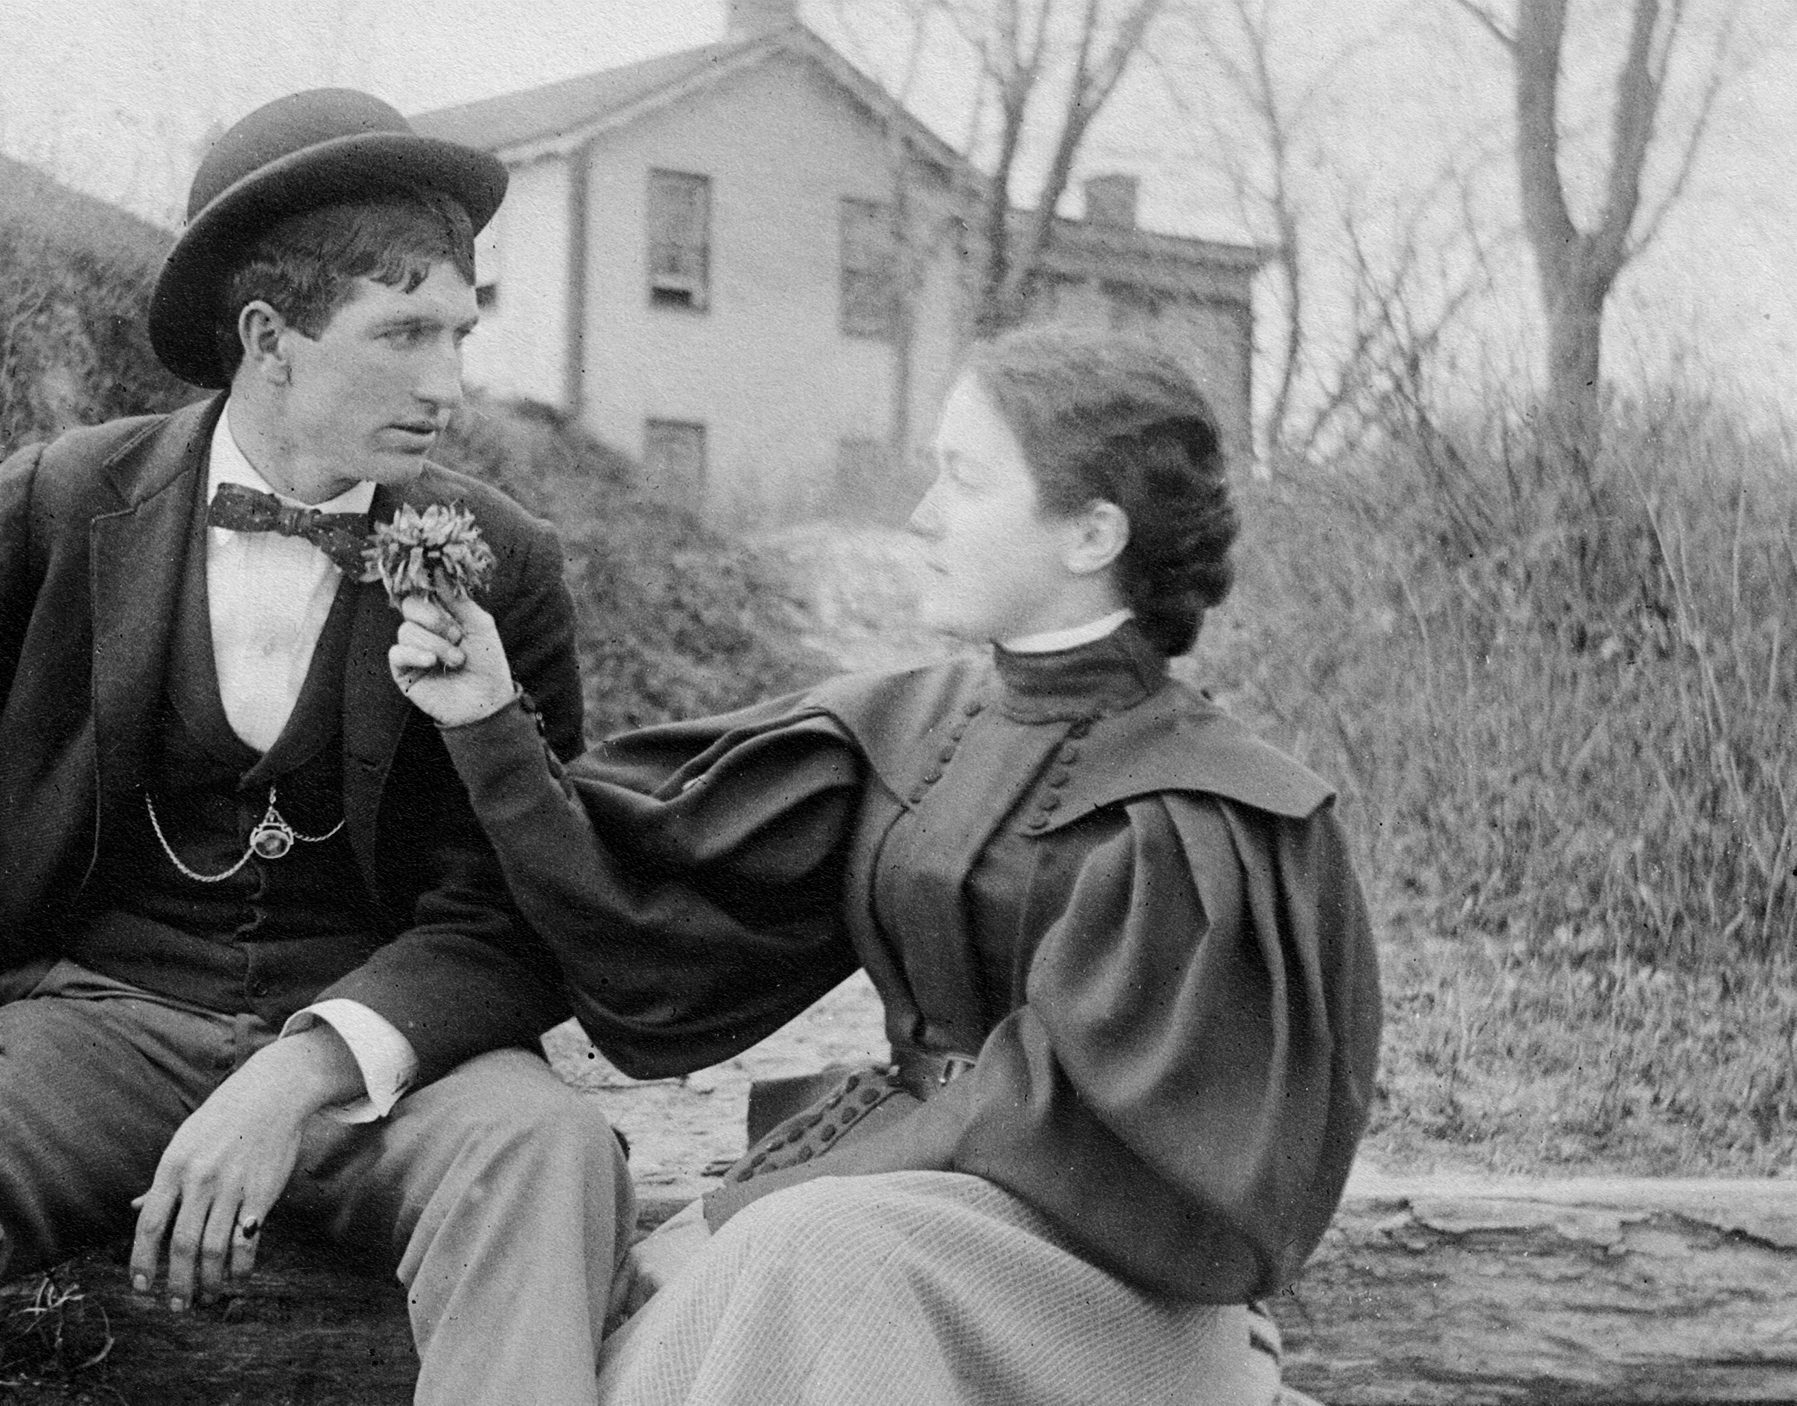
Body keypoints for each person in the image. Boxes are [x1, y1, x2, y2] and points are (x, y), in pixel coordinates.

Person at [0, 89, 630, 1406]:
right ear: (269, 337)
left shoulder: (502, 561)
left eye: (459, 334)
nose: (449, 383)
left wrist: (305, 1071)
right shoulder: (61, 505)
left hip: (385, 1065)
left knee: (551, 1153)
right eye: (404, 334)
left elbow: (517, 902)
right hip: (88, 1022)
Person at [389, 326, 1383, 1406]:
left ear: (1092, 531)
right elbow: (653, 905)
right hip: (893, 1217)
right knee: (688, 1315)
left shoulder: (1210, 810)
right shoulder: (915, 724)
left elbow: (1082, 1129)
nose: (920, 514)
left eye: (962, 478)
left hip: (1113, 1287)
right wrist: (490, 718)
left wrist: (751, 1207)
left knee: (800, 1255)